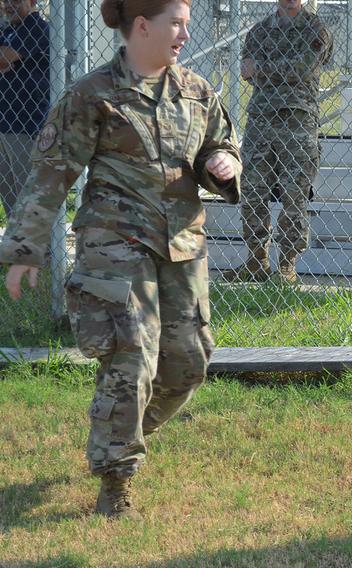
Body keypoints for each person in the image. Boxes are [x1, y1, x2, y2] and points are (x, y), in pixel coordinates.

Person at [1, 0, 241, 519]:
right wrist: (25, 250)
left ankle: (116, 429)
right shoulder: (93, 95)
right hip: (114, 246)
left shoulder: (196, 91)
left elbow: (218, 145)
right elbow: (51, 172)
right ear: (142, 26)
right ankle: (116, 479)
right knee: (132, 357)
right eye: (175, 23)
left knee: (188, 362)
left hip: (181, 245)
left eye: (186, 24)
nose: (183, 33)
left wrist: (222, 162)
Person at [228, 0, 333, 283]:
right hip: (261, 119)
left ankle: (287, 264)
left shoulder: (316, 28)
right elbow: (245, 72)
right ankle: (256, 260)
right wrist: (274, 71)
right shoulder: (259, 31)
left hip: (298, 120)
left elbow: (303, 69)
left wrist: (261, 68)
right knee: (252, 189)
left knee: (294, 193)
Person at [0, 0, 49, 219]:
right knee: (10, 199)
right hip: (5, 124)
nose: (9, 5)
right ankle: (17, 248)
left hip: (26, 125)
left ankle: (44, 252)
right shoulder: (10, 30)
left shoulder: (35, 26)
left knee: (27, 200)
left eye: (16, 1)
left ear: (32, 2)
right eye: (5, 1)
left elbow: (2, 60)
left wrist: (7, 60)